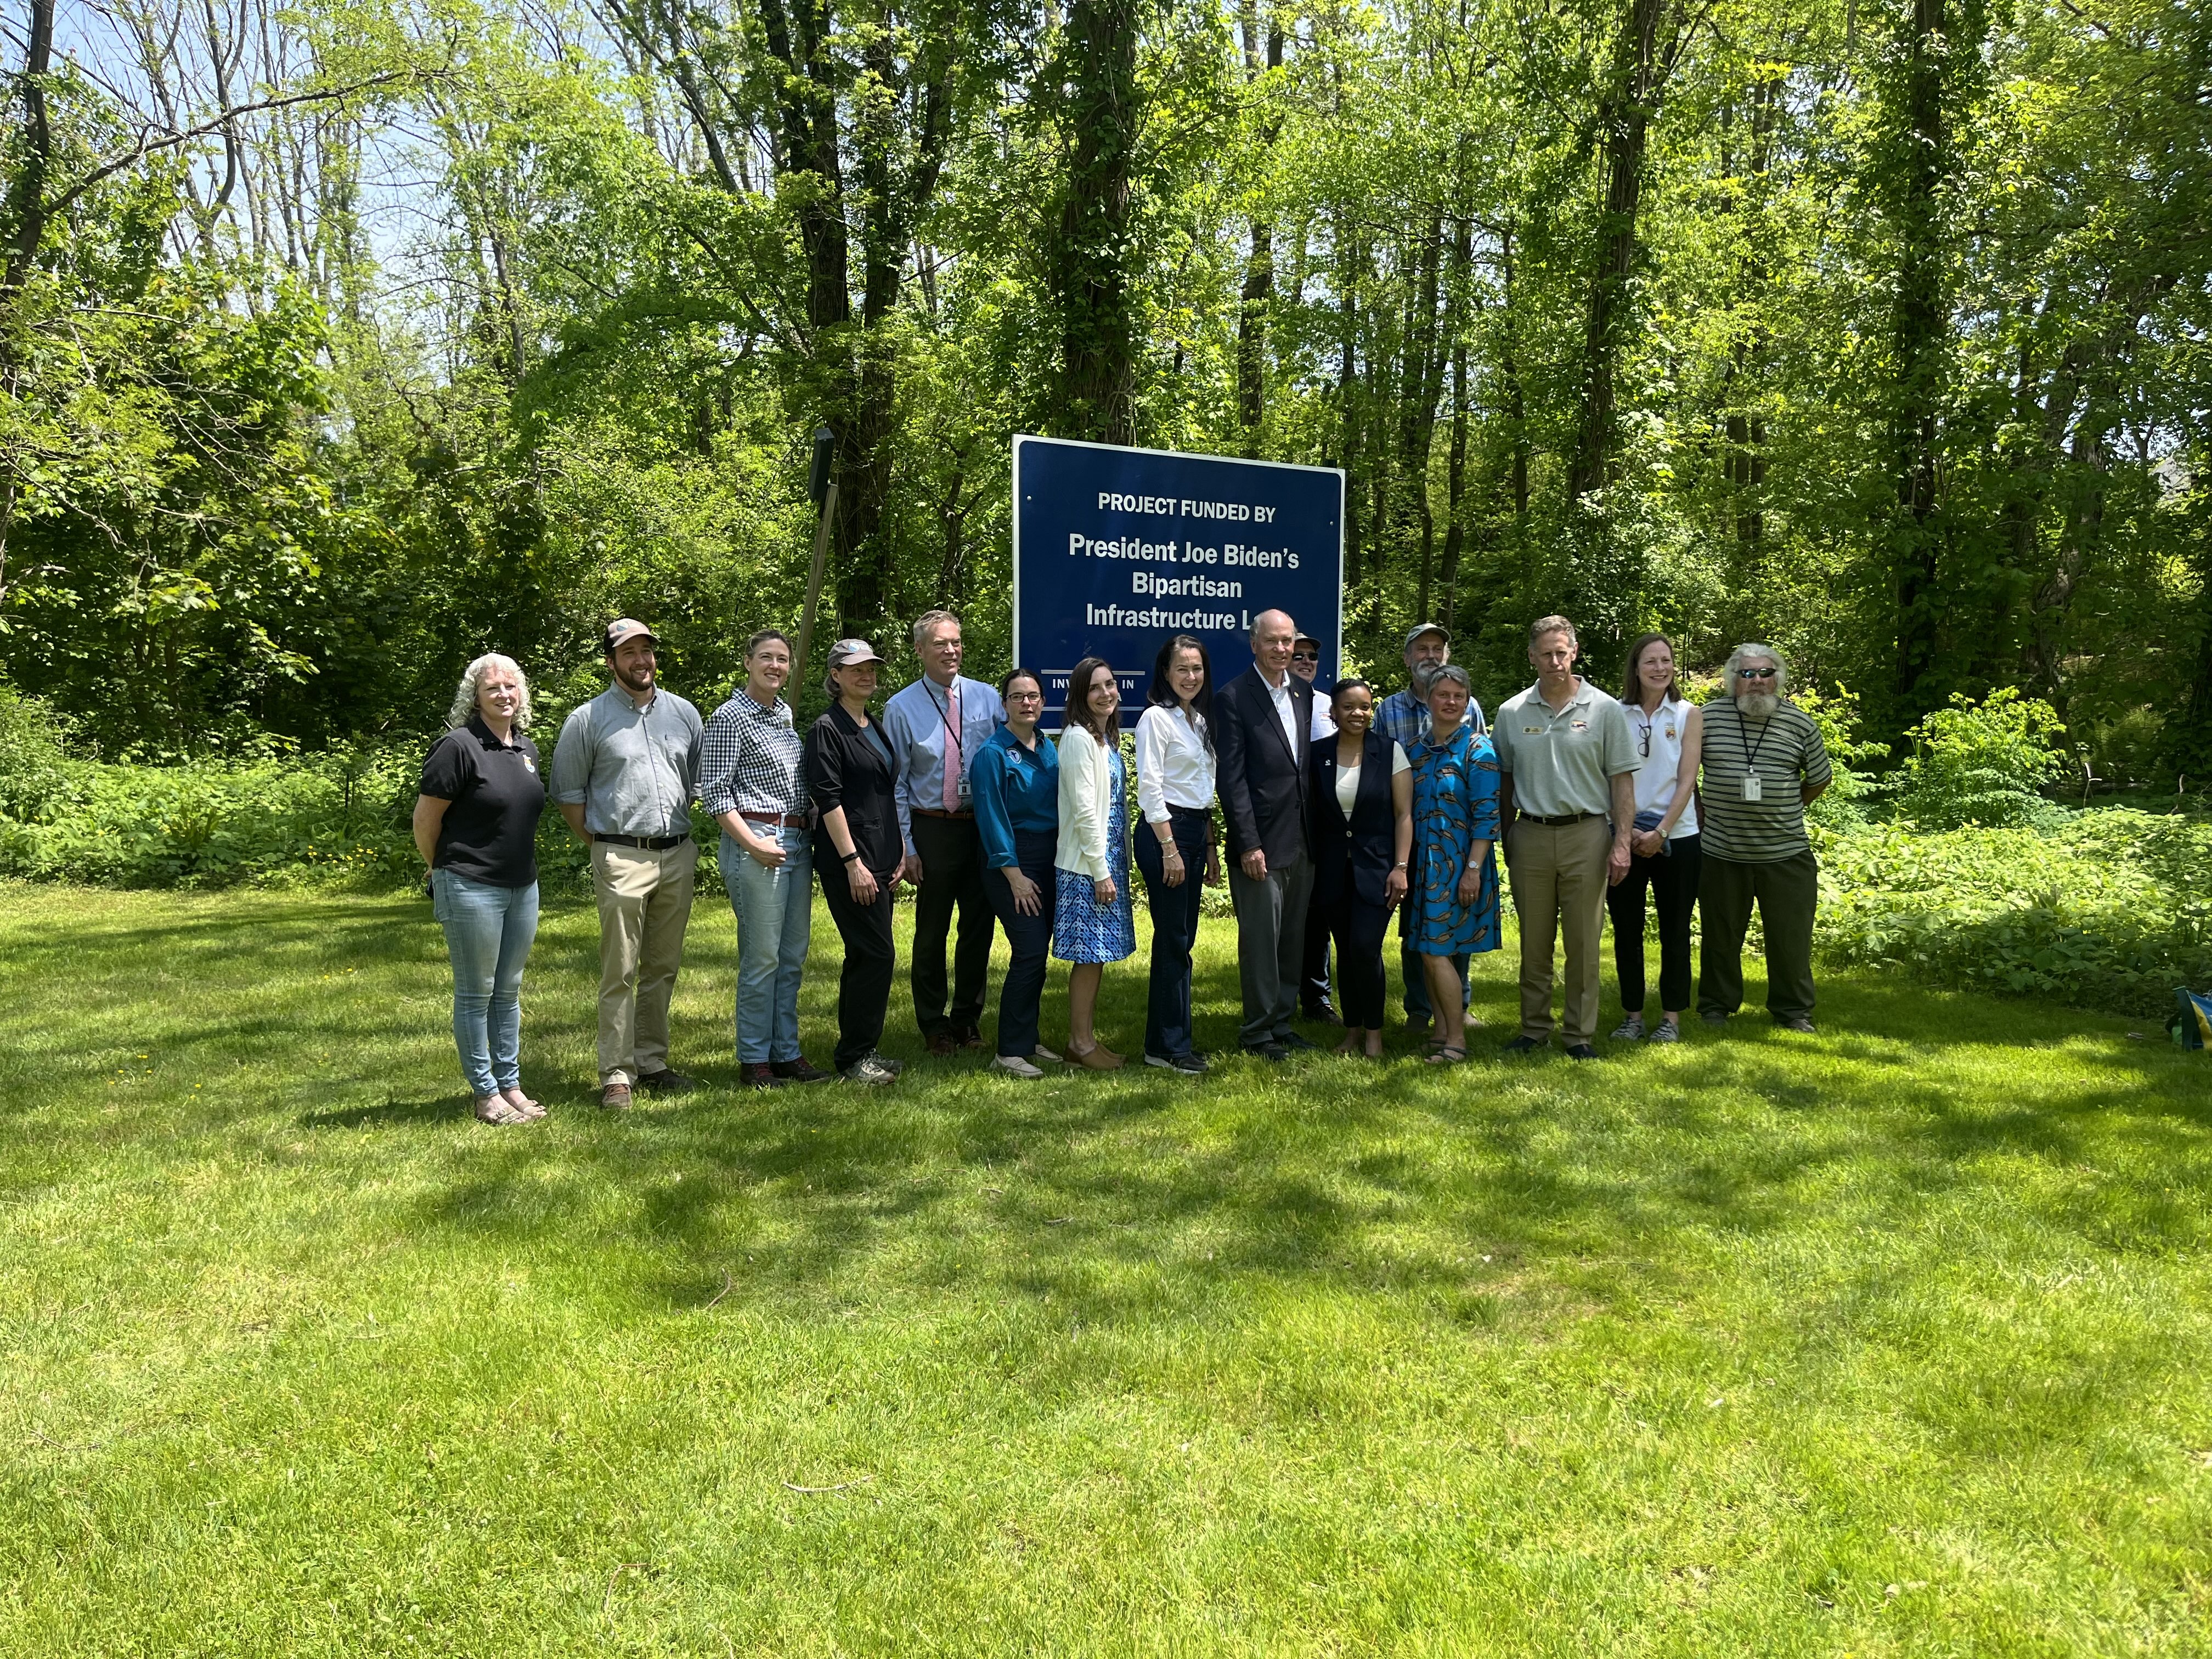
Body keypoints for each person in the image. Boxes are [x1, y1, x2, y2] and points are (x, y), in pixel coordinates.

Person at [551, 618, 705, 1110]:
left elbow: (700, 781)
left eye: (647, 651)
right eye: (630, 652)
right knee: (619, 969)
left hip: (678, 853)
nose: (642, 660)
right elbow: (569, 796)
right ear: (611, 661)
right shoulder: (587, 720)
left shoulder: (684, 714)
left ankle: (653, 1061)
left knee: (662, 967)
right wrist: (604, 846)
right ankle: (617, 1073)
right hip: (619, 854)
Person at [1490, 615, 1639, 1061]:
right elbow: (1503, 781)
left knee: (1583, 943)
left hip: (1587, 835)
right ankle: (1534, 1028)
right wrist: (1506, 834)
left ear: (1574, 653)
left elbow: (1622, 783)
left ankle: (1578, 1035)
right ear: (1532, 657)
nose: (1554, 661)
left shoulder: (1605, 709)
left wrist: (1622, 841)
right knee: (1534, 943)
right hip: (1531, 835)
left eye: (1562, 652)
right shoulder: (1512, 713)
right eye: (1545, 653)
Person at [414, 653, 548, 1125]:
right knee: (476, 992)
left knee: (508, 992)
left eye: (511, 687)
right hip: (470, 885)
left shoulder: (525, 750)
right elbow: (426, 820)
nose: (504, 695)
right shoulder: (458, 746)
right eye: (493, 688)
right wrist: (441, 870)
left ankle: (510, 1085)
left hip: (522, 886)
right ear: (475, 696)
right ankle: (485, 1094)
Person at [702, 629, 832, 1090]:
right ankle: (754, 1059)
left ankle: (787, 1052)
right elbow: (715, 794)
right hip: (756, 839)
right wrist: (753, 844)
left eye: (782, 659)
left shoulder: (782, 715)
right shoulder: (730, 718)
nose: (775, 666)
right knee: (762, 957)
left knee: (792, 956)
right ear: (747, 661)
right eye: (766, 658)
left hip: (796, 841)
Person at [884, 609, 1005, 1056]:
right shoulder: (901, 707)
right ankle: (934, 1024)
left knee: (979, 928)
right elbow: (895, 784)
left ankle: (968, 1020)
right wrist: (907, 847)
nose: (950, 650)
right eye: (939, 643)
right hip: (931, 828)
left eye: (955, 642)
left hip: (981, 827)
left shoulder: (988, 698)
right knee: (931, 931)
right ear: (920, 650)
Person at [1696, 642, 1832, 1033]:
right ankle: (1716, 1007)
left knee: (1790, 939)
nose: (1756, 682)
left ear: (1778, 680)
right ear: (1732, 679)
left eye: (1765, 674)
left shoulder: (1800, 723)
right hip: (1721, 849)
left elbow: (1820, 778)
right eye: (1747, 674)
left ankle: (1793, 1012)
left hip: (1786, 853)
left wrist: (1788, 809)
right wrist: (1700, 810)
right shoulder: (1705, 719)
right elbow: (1684, 774)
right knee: (1720, 936)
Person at [1216, 608, 1319, 1059]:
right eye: (1273, 641)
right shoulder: (1233, 697)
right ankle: (1257, 1032)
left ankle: (1282, 1022)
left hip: (1302, 838)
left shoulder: (1304, 691)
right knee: (1261, 942)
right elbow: (1232, 779)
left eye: (1288, 642)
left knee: (1292, 939)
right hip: (1260, 843)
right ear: (1254, 644)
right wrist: (1248, 843)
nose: (1282, 649)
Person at [806, 639, 908, 1085]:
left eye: (871, 668)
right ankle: (853, 1057)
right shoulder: (827, 729)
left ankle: (861, 1049)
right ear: (835, 676)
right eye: (856, 670)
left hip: (881, 857)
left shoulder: (873, 725)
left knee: (865, 956)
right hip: (851, 862)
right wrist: (852, 862)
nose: (866, 675)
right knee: (877, 954)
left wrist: (899, 849)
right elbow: (827, 799)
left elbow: (884, 793)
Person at [1375, 623, 1483, 1037]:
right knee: (1415, 925)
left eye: (1438, 649)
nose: (1431, 655)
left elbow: (1481, 769)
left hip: (1455, 837)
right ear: (1407, 658)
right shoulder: (1389, 710)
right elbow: (1380, 771)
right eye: (1422, 649)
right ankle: (1420, 1008)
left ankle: (1461, 1005)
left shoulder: (1468, 707)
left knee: (1457, 920)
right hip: (1411, 837)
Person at [1606, 633, 1704, 1044]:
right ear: (1635, 667)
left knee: (1675, 930)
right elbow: (1608, 776)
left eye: (1666, 660)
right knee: (1626, 930)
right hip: (1624, 838)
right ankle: (1632, 1016)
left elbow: (1688, 779)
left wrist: (1661, 830)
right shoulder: (1613, 714)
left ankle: (1671, 1018)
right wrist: (1626, 835)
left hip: (1678, 837)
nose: (1660, 668)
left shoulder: (1688, 714)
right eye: (1651, 661)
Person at [1307, 679, 1412, 1060]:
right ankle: (1352, 1031)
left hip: (1379, 871)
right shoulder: (1317, 754)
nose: (1358, 713)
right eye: (1349, 707)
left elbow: (1404, 815)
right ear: (1333, 713)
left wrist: (1401, 867)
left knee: (1365, 948)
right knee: (1345, 951)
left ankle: (1374, 1035)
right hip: (1333, 872)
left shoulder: (1389, 752)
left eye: (1365, 706)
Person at [1407, 664, 1503, 1064]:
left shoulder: (1478, 749)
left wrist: (1473, 870)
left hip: (1462, 865)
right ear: (1428, 699)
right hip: (1424, 865)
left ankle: (1456, 1041)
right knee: (1428, 950)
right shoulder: (1416, 750)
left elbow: (1487, 816)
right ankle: (1441, 1030)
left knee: (1436, 952)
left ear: (1467, 702)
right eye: (1443, 695)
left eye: (1458, 697)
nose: (1450, 702)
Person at [972, 667, 1064, 1080]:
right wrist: (1014, 875)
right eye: (1017, 697)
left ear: (1043, 702)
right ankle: (1008, 1051)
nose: (1027, 703)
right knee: (1029, 950)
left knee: (1037, 953)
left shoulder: (1048, 748)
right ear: (1004, 704)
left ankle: (1027, 1039)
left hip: (1049, 858)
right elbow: (992, 818)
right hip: (1010, 861)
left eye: (1033, 696)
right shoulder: (993, 754)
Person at [1135, 635, 1221, 1074]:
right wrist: (1170, 849)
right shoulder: (1156, 719)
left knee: (1183, 941)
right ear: (1166, 673)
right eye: (1182, 668)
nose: (1191, 676)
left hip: (1193, 833)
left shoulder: (1199, 722)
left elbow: (1202, 791)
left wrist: (1210, 848)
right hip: (1163, 834)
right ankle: (1168, 1048)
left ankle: (1168, 1041)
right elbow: (1150, 788)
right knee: (1173, 941)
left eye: (1197, 668)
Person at [1054, 657, 1138, 1068]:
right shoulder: (1077, 738)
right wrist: (1101, 870)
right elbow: (1086, 812)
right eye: (1095, 688)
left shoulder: (1104, 738)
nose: (1106, 693)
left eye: (1110, 684)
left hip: (1104, 860)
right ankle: (1079, 1045)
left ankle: (1085, 1039)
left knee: (1098, 953)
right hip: (1086, 865)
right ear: (1080, 696)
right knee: (1087, 955)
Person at [1290, 630, 1339, 1025]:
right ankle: (1281, 996)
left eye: (1312, 657)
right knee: (1286, 917)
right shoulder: (1271, 703)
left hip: (1324, 827)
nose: (1306, 662)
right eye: (1299, 655)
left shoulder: (1329, 706)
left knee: (1318, 916)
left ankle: (1318, 998)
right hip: (1285, 826)